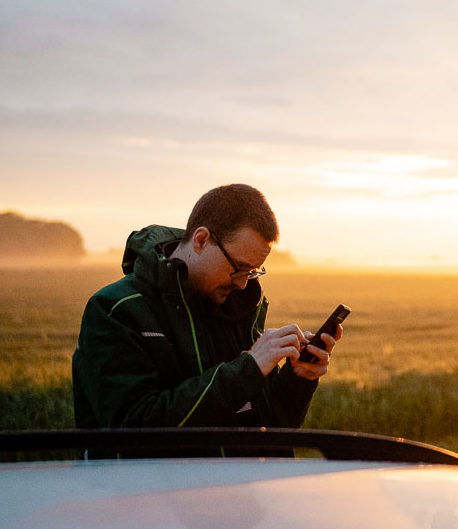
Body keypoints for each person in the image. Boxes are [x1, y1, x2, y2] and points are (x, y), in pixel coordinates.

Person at [72, 184, 338, 430]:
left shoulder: (243, 307)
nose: (244, 284)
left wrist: (298, 380)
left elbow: (270, 427)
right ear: (200, 240)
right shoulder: (115, 310)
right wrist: (248, 368)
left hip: (252, 481)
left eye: (254, 272)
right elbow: (135, 428)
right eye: (239, 268)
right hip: (164, 483)